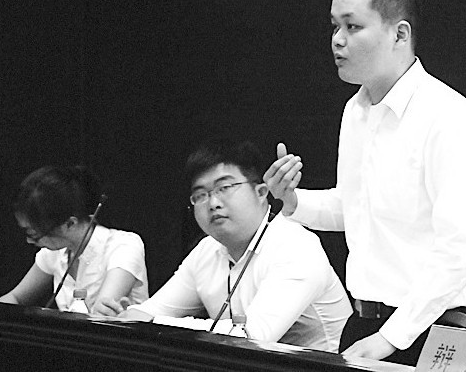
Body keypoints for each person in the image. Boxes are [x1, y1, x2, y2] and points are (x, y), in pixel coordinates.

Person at [263, 0, 466, 365]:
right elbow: (355, 208)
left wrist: (392, 337)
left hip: (433, 330)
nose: (338, 40)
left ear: (399, 34)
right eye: (335, 26)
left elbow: (465, 248)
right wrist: (292, 200)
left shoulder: (449, 117)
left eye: (353, 26)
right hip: (365, 323)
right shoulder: (355, 112)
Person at [96, 139, 352, 353]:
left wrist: (151, 321)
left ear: (261, 193)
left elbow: (252, 336)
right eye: (201, 195)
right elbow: (152, 310)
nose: (213, 203)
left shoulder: (295, 246)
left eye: (225, 188)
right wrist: (120, 314)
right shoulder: (207, 250)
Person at [0, 165, 149, 313]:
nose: (29, 241)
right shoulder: (54, 252)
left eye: (34, 233)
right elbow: (15, 298)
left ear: (70, 224)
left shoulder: (124, 247)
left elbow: (101, 314)